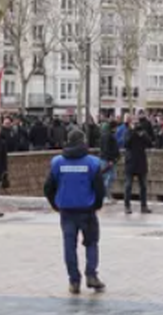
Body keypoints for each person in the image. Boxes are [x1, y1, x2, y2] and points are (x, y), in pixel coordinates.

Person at [46, 128, 109, 295]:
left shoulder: (57, 162)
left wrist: (56, 204)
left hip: (66, 210)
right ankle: (91, 275)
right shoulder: (92, 163)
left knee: (69, 246)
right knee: (91, 243)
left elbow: (48, 188)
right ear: (83, 141)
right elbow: (100, 189)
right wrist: (96, 204)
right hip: (87, 210)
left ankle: (74, 281)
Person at [122, 117, 152, 214]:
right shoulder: (128, 132)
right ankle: (127, 206)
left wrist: (143, 135)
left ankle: (143, 206)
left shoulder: (143, 133)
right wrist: (133, 133)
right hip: (130, 162)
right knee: (128, 185)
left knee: (143, 186)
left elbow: (150, 143)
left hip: (141, 162)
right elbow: (126, 144)